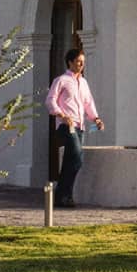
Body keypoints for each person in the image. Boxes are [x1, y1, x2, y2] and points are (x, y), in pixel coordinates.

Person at [46, 47, 105, 207]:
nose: (81, 65)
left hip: (80, 126)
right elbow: (50, 100)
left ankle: (62, 196)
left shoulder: (83, 82)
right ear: (70, 62)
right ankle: (64, 194)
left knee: (69, 161)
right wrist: (61, 115)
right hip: (66, 126)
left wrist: (96, 118)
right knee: (77, 158)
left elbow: (88, 102)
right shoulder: (61, 81)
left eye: (83, 62)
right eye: (78, 62)